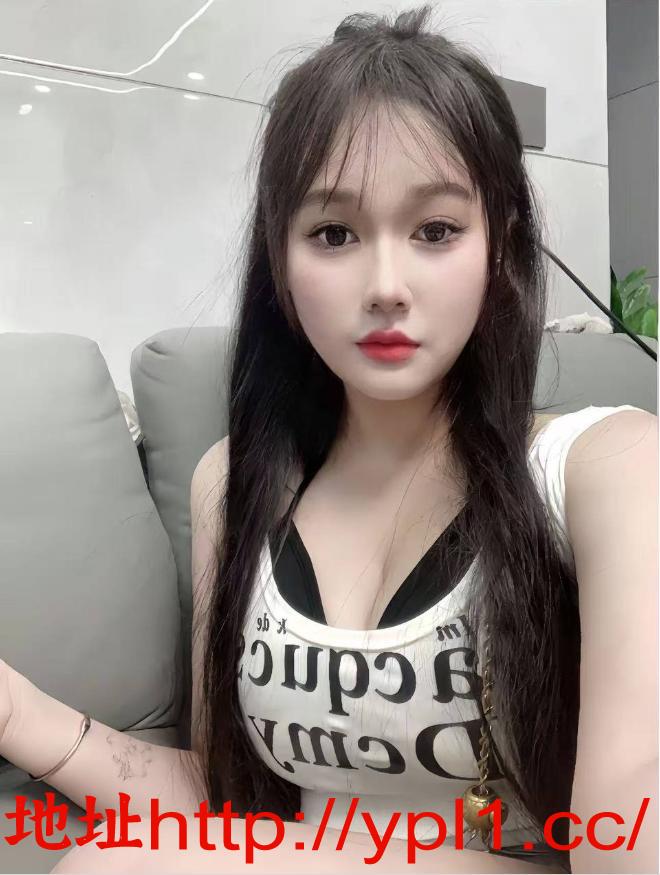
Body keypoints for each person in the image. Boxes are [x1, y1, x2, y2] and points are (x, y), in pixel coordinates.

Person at [1, 5, 657, 873]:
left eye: (435, 231)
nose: (386, 285)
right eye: (334, 233)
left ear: (499, 248)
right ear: (281, 261)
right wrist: (18, 713)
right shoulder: (234, 485)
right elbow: (224, 807)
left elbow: (632, 810)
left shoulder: (606, 467)